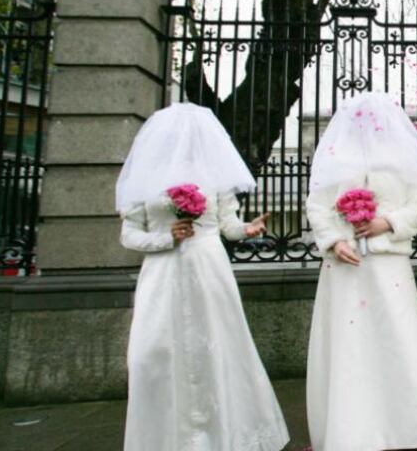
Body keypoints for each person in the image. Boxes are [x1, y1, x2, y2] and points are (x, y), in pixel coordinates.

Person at [116, 102, 289, 451]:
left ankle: (225, 433)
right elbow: (129, 234)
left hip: (208, 267)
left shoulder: (214, 180)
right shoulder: (145, 180)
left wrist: (248, 229)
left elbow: (228, 226)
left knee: (217, 345)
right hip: (163, 271)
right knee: (152, 351)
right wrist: (166, 238)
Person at [304, 92, 417, 451]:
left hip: (389, 267)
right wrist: (333, 241)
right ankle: (351, 431)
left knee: (396, 342)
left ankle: (405, 426)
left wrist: (387, 221)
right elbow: (317, 206)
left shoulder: (403, 165)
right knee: (349, 347)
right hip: (345, 267)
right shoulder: (333, 162)